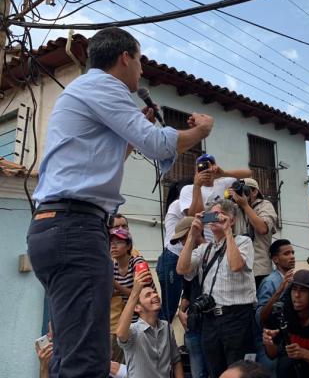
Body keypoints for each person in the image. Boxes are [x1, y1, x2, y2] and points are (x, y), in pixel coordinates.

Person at [28, 27, 213, 377]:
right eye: (140, 60)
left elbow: (102, 158)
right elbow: (158, 145)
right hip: (75, 228)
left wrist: (132, 133)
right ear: (125, 57)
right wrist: (202, 131)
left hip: (57, 226)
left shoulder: (87, 91)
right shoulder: (104, 86)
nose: (141, 70)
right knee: (87, 361)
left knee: (71, 354)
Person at [177, 199, 256, 377]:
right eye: (210, 215)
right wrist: (192, 235)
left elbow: (236, 265)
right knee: (216, 372)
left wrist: (228, 232)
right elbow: (182, 269)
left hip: (237, 317)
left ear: (232, 219)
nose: (213, 219)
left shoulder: (243, 242)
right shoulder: (205, 248)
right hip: (210, 320)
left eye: (218, 215)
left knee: (241, 372)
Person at [262, 270, 309, 378]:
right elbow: (272, 354)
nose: (297, 295)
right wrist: (269, 342)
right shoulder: (284, 315)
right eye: (294, 289)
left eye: (303, 291)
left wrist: (302, 353)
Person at [117, 269, 184, 378]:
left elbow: (176, 360)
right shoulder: (133, 331)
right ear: (137, 307)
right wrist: (135, 292)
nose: (155, 296)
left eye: (155, 293)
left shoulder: (166, 327)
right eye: (148, 295)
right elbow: (120, 334)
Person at [173, 216, 208, 378]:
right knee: (197, 373)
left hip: (213, 323)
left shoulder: (213, 249)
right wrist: (181, 311)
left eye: (182, 238)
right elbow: (187, 291)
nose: (181, 243)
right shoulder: (186, 257)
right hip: (193, 324)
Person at [255, 239, 296, 371]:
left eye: (293, 253)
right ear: (275, 259)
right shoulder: (270, 282)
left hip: (289, 341)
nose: (292, 256)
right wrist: (279, 291)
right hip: (271, 343)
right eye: (286, 254)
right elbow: (260, 318)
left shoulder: (294, 280)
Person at [230, 178, 278, 289]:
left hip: (259, 269)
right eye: (238, 191)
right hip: (239, 269)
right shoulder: (235, 208)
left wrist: (245, 206)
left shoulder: (265, 205)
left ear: (255, 192)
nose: (241, 194)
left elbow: (262, 228)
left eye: (244, 190)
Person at [156, 179, 192, 322]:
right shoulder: (178, 205)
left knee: (173, 305)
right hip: (173, 258)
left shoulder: (175, 206)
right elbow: (196, 214)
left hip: (174, 258)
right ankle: (160, 342)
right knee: (168, 308)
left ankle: (163, 340)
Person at [109, 228, 146, 363]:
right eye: (111, 242)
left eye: (118, 242)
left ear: (129, 246)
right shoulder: (113, 266)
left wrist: (117, 286)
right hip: (130, 320)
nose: (113, 245)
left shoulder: (138, 262)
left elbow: (142, 295)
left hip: (145, 319)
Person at [179, 153, 252, 219]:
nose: (207, 169)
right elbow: (195, 216)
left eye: (210, 165)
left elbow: (248, 174)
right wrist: (197, 186)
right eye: (202, 167)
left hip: (221, 230)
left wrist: (223, 173)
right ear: (196, 170)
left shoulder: (222, 183)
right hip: (202, 232)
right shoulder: (188, 189)